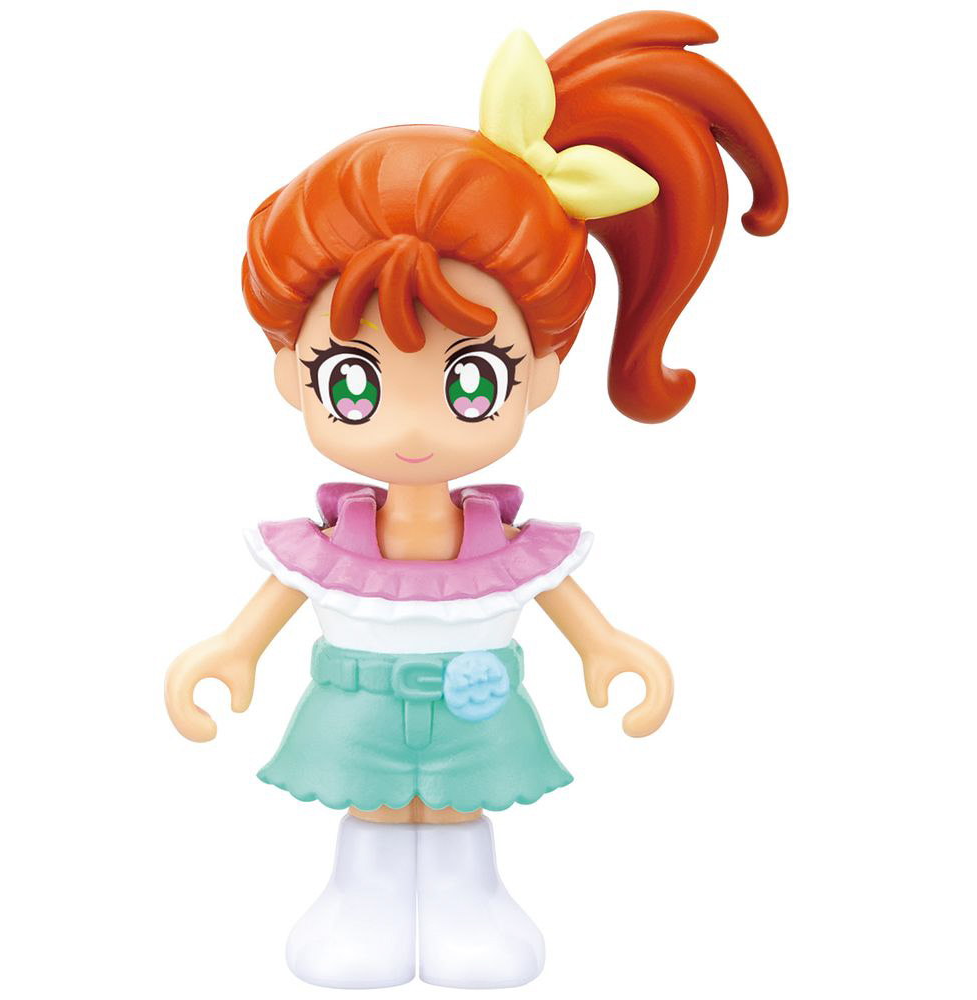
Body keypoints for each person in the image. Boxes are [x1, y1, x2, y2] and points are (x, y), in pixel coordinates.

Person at [165, 11, 787, 989]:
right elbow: (278, 600)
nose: (413, 428)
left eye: (469, 382)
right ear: (291, 374)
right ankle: (362, 902)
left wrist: (606, 646)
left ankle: (467, 902)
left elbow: (561, 601)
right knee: (373, 814)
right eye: (355, 382)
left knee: (457, 816)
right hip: (357, 708)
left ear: (540, 376)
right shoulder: (332, 540)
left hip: (476, 709)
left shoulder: (503, 540)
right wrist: (231, 650)